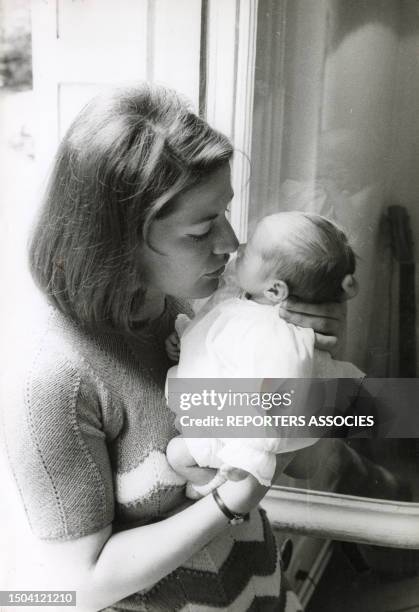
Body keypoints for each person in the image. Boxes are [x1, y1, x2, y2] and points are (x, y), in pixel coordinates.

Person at [2, 85, 347, 611]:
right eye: (202, 228)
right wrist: (228, 502)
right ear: (116, 238)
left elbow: (300, 459)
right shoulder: (56, 380)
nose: (231, 242)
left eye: (226, 213)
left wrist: (307, 372)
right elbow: (81, 586)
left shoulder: (198, 312)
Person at [166, 212, 364, 495]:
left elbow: (276, 403)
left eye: (252, 251)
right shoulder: (243, 301)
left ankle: (209, 488)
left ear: (274, 290)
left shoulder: (272, 334)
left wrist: (247, 456)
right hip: (212, 410)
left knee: (178, 455)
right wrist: (183, 339)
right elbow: (214, 336)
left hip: (239, 439)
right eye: (203, 226)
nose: (239, 246)